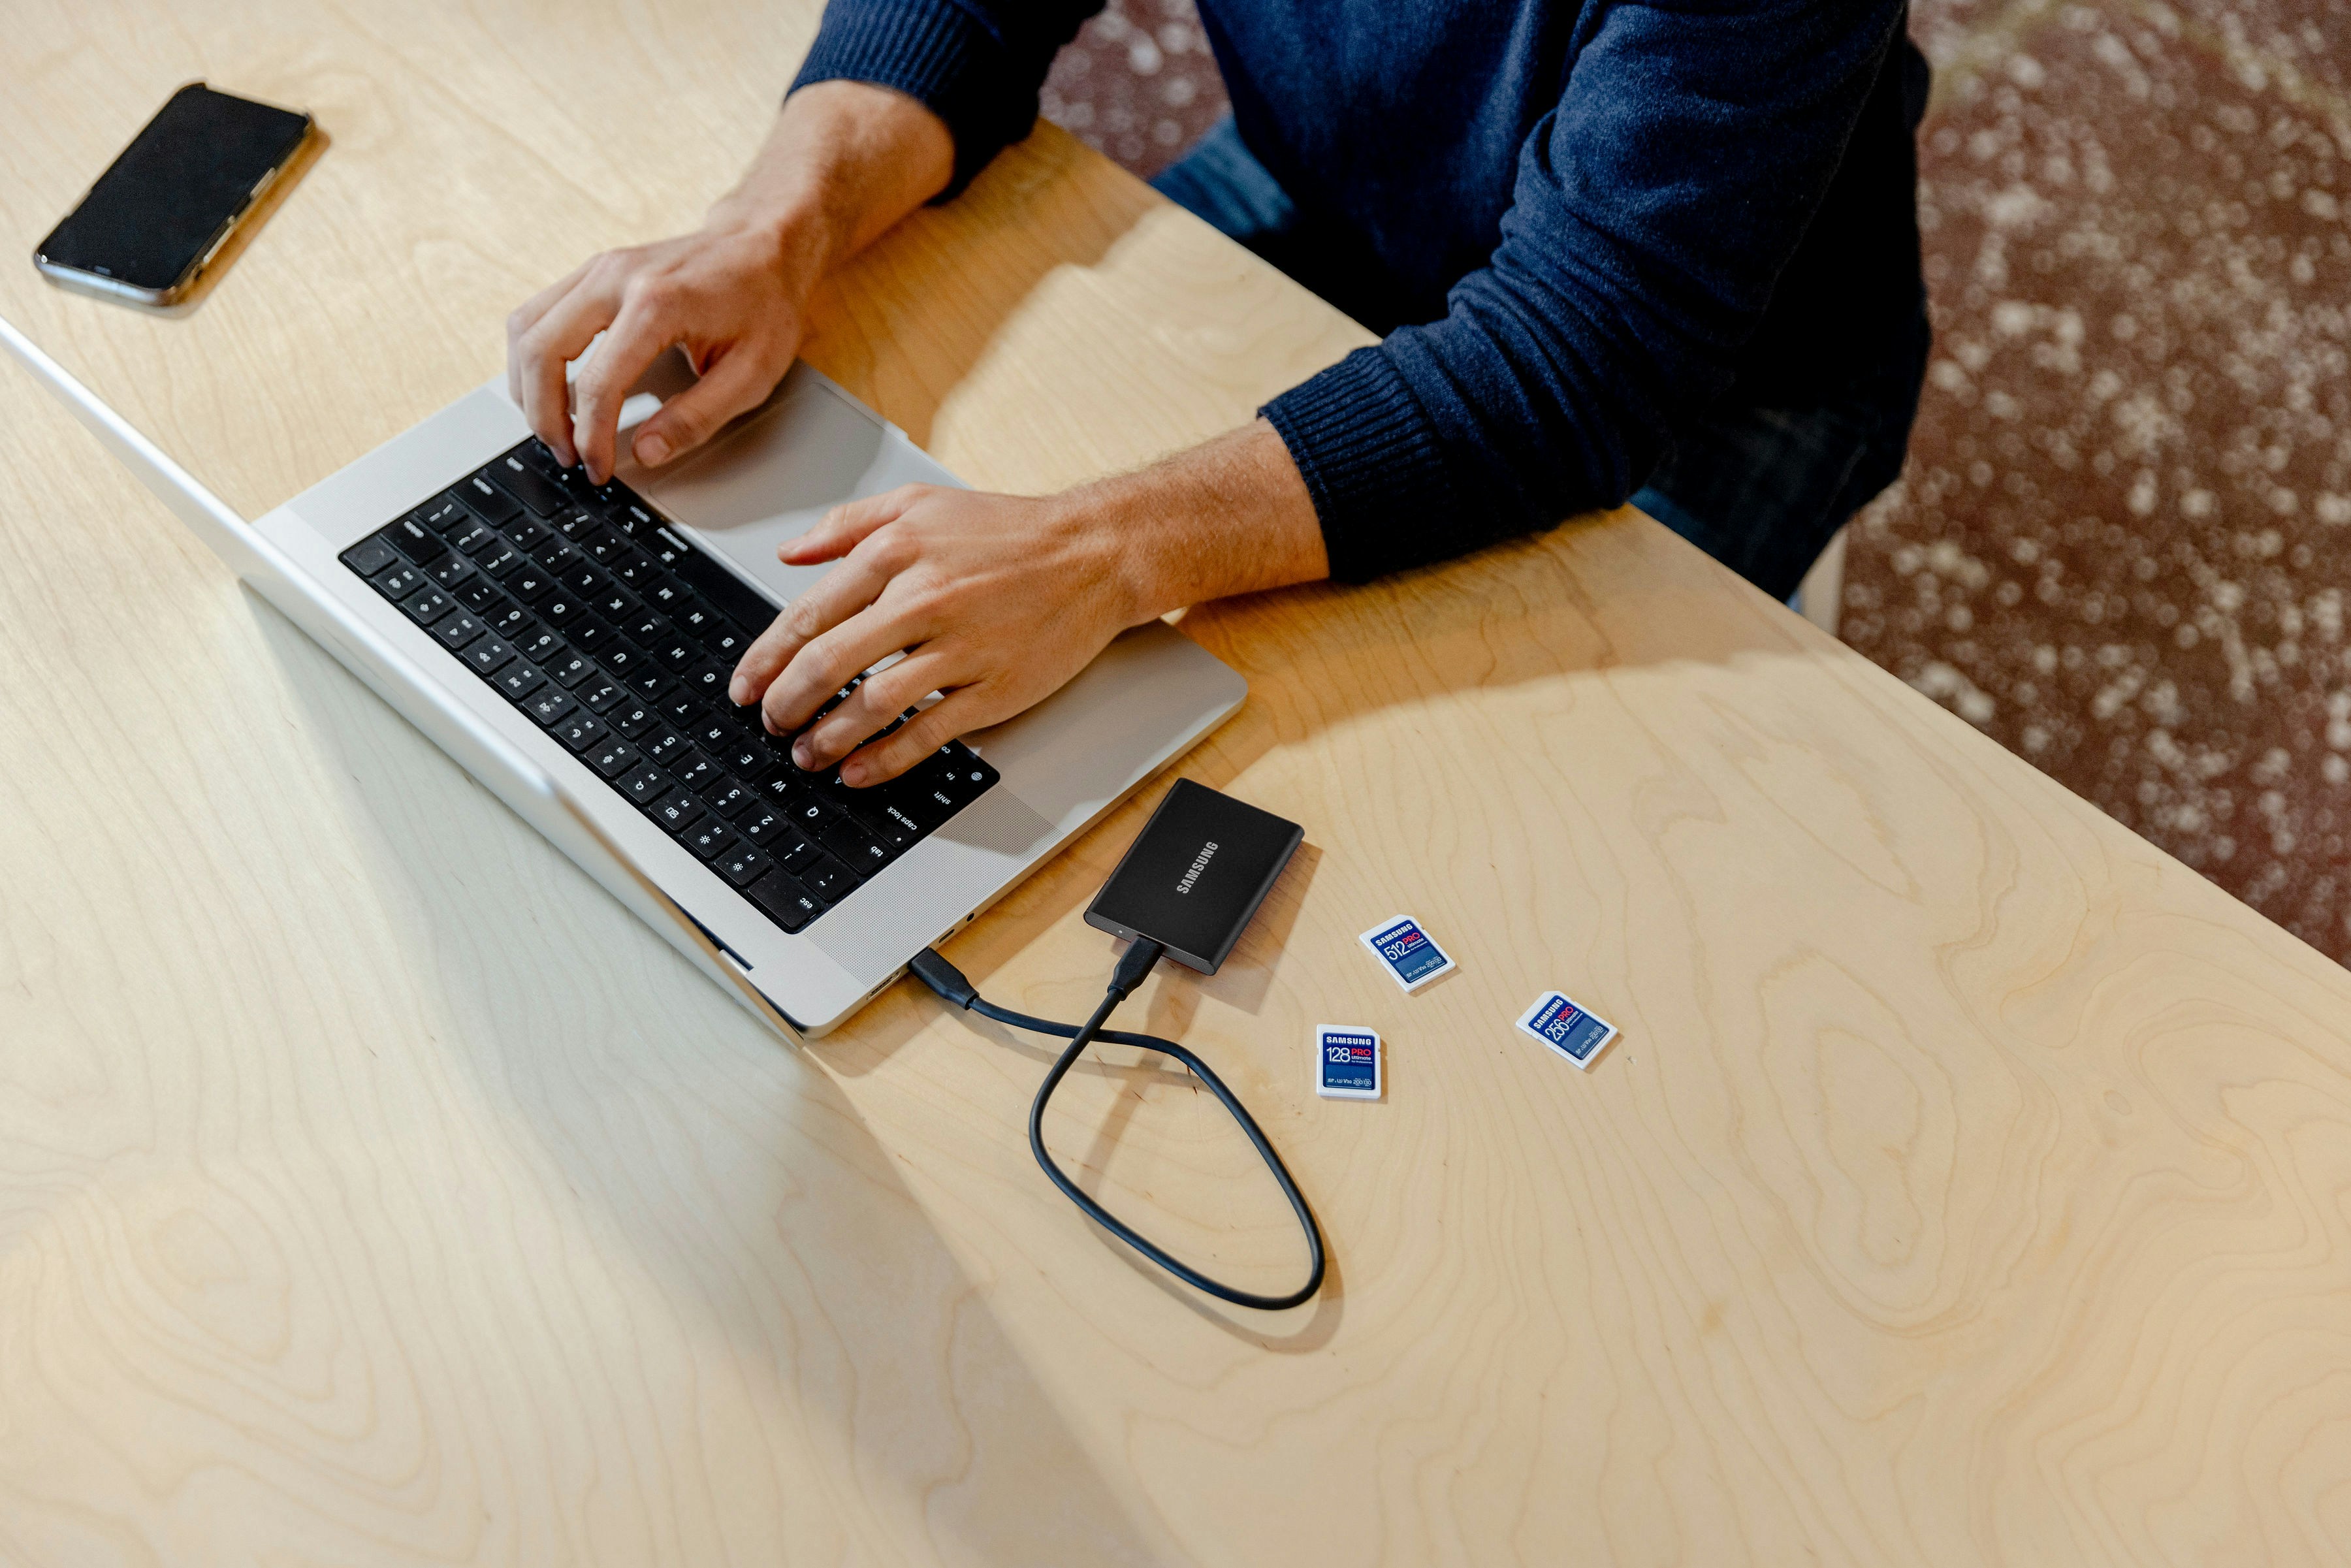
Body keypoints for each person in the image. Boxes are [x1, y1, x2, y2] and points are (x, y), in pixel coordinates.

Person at [507, 1, 1932, 788]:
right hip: (1319, 187)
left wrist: (1102, 548)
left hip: (1715, 377)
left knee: (1463, 834)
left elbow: (1587, 350)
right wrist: (784, 219)